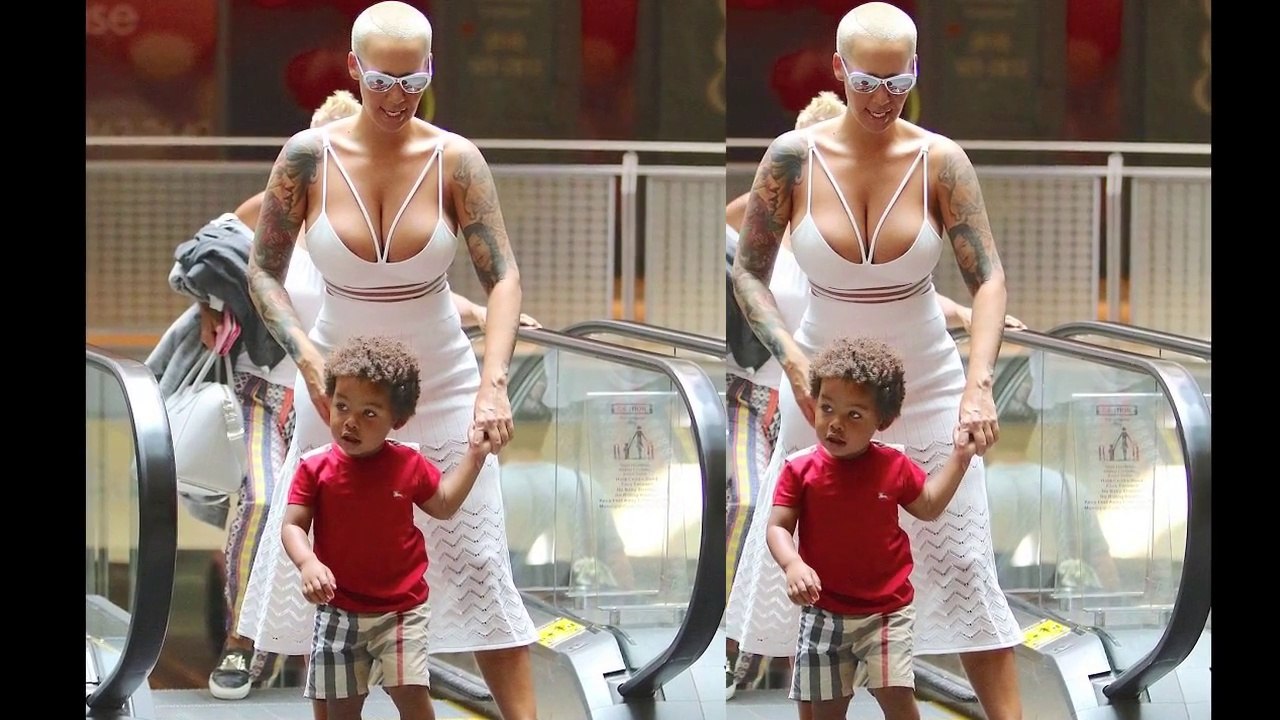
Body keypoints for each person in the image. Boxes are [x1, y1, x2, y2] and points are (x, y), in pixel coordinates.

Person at [235, 4, 539, 719]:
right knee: (335, 558)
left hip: (444, 382)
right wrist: (307, 357)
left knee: (480, 561)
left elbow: (503, 277)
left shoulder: (455, 158)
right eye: (381, 81)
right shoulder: (307, 157)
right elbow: (263, 272)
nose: (398, 97)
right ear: (353, 69)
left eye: (414, 80)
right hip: (336, 393)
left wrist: (493, 383)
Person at [726, 4, 1025, 719]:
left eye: (899, 81)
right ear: (839, 69)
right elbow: (749, 273)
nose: (884, 98)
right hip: (821, 395)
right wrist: (791, 361)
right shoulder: (792, 158)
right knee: (819, 565)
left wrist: (978, 386)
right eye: (867, 81)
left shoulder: (940, 160)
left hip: (929, 383)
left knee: (964, 564)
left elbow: (987, 278)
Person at [282, 335, 492, 720]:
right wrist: (307, 563)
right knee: (341, 707)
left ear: (398, 420)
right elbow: (293, 525)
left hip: (402, 607)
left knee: (410, 690)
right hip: (339, 607)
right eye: (342, 406)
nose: (350, 422)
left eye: (369, 413)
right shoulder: (315, 468)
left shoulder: (408, 465)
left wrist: (475, 457)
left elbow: (443, 503)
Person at [767, 336, 977, 720]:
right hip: (824, 609)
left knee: (895, 692)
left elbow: (928, 505)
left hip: (887, 610)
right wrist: (792, 564)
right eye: (827, 408)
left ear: (882, 421)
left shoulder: (893, 466)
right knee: (826, 708)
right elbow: (778, 526)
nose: (835, 424)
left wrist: (961, 458)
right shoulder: (800, 470)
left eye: (854, 415)